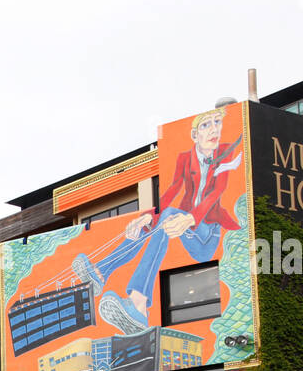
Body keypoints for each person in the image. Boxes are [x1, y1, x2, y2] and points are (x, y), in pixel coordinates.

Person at [95, 108, 243, 333]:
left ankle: (135, 299)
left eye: (217, 123)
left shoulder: (225, 152)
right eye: (206, 125)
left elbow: (217, 193)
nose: (214, 129)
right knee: (152, 223)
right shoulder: (185, 158)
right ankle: (104, 275)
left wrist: (190, 218)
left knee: (168, 216)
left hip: (207, 237)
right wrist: (148, 216)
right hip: (186, 226)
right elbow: (172, 190)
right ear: (194, 135)